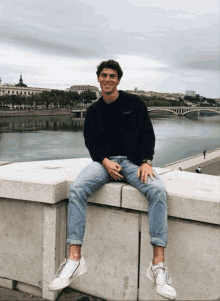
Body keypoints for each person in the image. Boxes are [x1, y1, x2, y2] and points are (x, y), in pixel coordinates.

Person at [48, 60, 177, 300]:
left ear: (118, 80)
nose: (107, 79)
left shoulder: (135, 103)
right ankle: (75, 258)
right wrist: (105, 161)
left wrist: (147, 161)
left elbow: (147, 133)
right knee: (77, 189)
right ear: (98, 79)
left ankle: (158, 265)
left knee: (158, 191)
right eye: (103, 75)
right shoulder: (94, 110)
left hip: (133, 163)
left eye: (112, 76)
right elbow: (91, 142)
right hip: (103, 163)